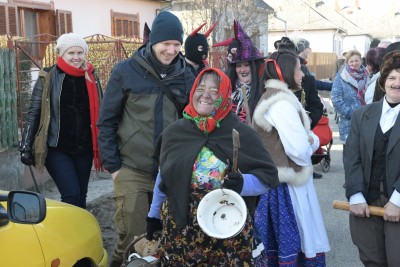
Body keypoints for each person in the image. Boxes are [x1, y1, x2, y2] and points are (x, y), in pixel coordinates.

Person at [146, 68, 280, 266]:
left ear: (225, 96)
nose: (206, 95)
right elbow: (164, 177)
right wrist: (153, 216)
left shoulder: (242, 134)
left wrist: (242, 184)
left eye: (215, 91)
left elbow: (267, 178)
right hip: (182, 230)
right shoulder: (175, 133)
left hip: (227, 227)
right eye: (201, 88)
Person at [96, 11, 196, 267]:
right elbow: (106, 122)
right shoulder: (125, 72)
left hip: (172, 172)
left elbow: (194, 125)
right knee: (132, 238)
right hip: (132, 170)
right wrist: (114, 168)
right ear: (153, 42)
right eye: (166, 44)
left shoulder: (188, 76)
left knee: (170, 237)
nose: (172, 50)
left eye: (176, 44)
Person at [253, 50, 330, 266]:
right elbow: (299, 150)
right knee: (298, 240)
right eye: (299, 69)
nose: (302, 74)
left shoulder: (274, 98)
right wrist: (313, 142)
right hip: (287, 187)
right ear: (286, 72)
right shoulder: (281, 103)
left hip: (280, 183)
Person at [19, 33, 102, 209]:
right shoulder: (48, 76)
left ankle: (79, 235)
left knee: (81, 198)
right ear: (61, 54)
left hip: (84, 147)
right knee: (71, 195)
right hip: (57, 148)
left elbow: (101, 109)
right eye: (71, 53)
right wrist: (26, 145)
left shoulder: (92, 76)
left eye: (80, 52)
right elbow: (34, 112)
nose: (76, 57)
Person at [344, 50, 400, 266]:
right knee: (372, 260)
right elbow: (352, 156)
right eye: (392, 78)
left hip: (397, 203)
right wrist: (356, 195)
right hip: (366, 204)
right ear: (383, 81)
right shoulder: (362, 115)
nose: (397, 83)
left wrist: (397, 200)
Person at [276, 37, 324, 179]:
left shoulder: (306, 78)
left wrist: (309, 120)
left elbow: (316, 105)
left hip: (304, 130)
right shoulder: (274, 83)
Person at [213, 21, 264, 123]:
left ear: (254, 66)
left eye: (246, 65)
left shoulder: (263, 89)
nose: (242, 70)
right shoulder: (226, 89)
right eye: (238, 66)